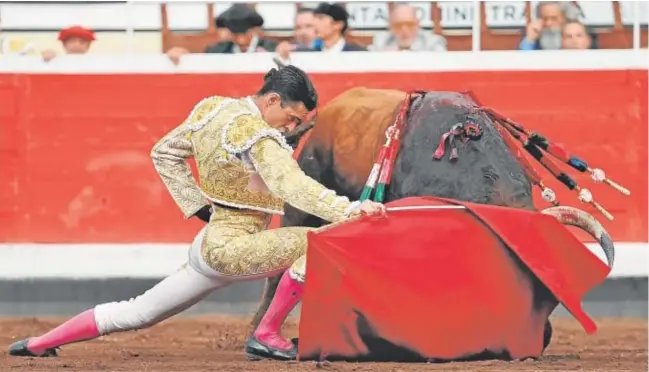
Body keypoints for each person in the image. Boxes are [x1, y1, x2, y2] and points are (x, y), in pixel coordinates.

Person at [8, 65, 386, 361]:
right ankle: (266, 335)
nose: (291, 128)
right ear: (272, 100)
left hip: (210, 246)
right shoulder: (259, 136)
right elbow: (294, 188)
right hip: (232, 249)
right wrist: (351, 210)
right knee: (321, 242)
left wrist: (199, 206)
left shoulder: (213, 109)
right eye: (291, 117)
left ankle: (39, 343)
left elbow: (164, 151)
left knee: (137, 313)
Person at [370, 4, 447, 51]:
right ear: (391, 28)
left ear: (417, 26)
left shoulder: (432, 42)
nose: (404, 30)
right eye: (398, 26)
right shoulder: (381, 42)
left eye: (410, 25)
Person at [204, 4, 277, 53]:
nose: (240, 39)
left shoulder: (271, 48)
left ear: (254, 30)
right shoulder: (218, 49)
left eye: (243, 33)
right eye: (235, 34)